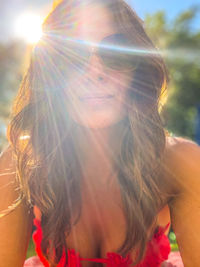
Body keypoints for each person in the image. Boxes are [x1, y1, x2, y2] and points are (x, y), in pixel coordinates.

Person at [0, 0, 200, 266]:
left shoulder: (180, 163)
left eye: (116, 54)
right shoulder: (20, 163)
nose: (94, 73)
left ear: (138, 68)